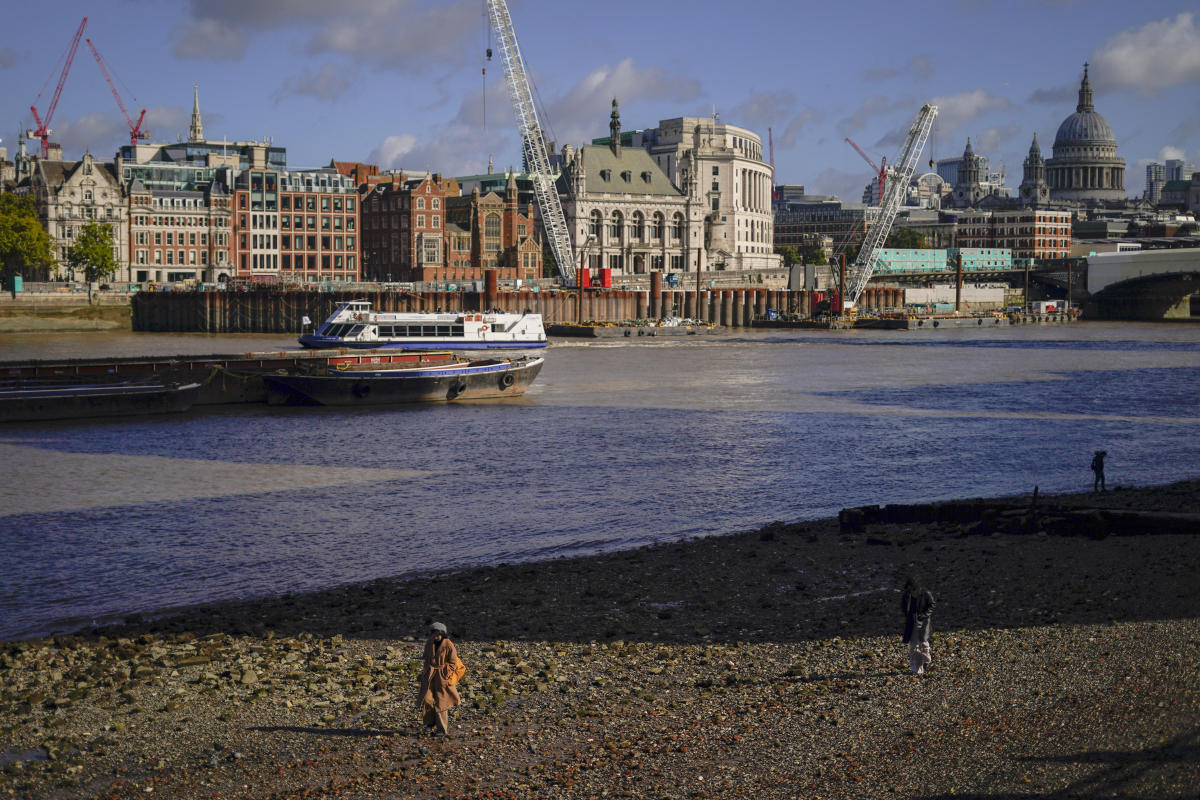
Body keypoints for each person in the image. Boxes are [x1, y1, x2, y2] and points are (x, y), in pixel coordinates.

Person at [416, 622, 461, 737]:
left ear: (442, 633)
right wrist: (425, 672)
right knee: (427, 699)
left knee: (442, 703)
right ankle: (429, 724)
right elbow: (426, 658)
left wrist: (446, 673)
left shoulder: (449, 645)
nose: (435, 636)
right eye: (433, 633)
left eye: (437, 634)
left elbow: (453, 662)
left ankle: (442, 729)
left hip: (442, 677)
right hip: (429, 675)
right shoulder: (429, 642)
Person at [901, 577, 935, 675]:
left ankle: (926, 660)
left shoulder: (926, 593)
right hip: (912, 621)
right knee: (913, 645)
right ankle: (916, 668)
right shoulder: (907, 595)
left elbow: (932, 605)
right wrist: (908, 616)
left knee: (923, 642)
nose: (911, 590)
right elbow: (904, 606)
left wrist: (924, 615)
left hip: (923, 621)